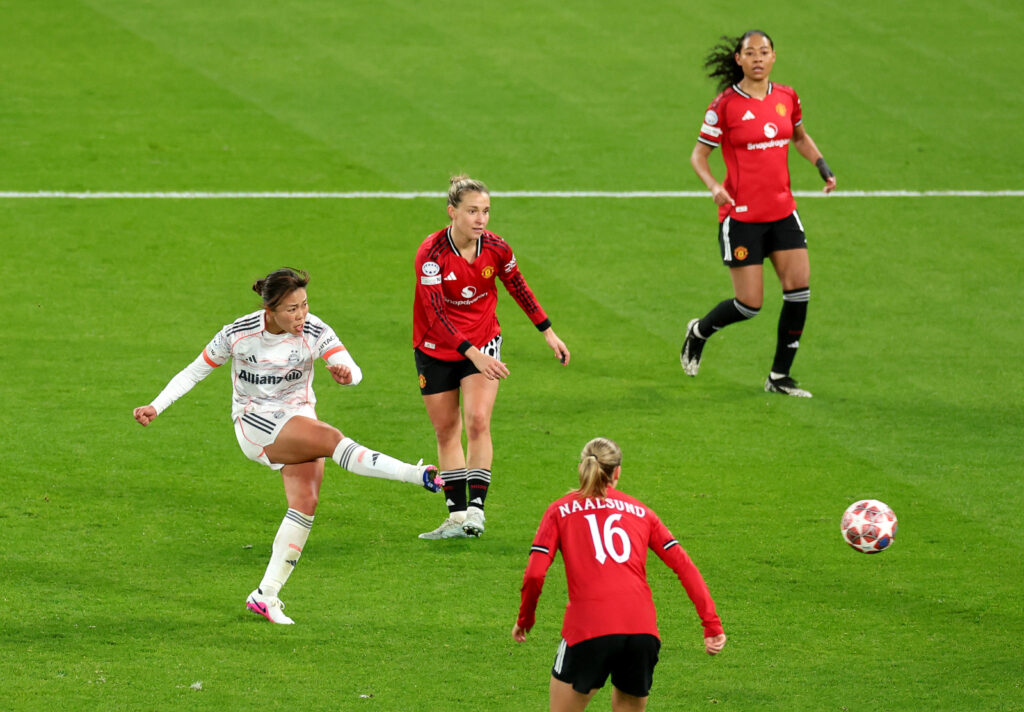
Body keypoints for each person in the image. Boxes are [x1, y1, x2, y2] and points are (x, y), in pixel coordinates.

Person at [133, 267, 441, 625]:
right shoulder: (238, 334)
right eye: (292, 309)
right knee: (331, 439)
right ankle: (417, 475)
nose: (301, 315)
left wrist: (346, 374)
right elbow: (194, 371)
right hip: (255, 421)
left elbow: (352, 368)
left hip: (297, 416)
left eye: (305, 305)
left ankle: (266, 595)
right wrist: (157, 405)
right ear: (271, 310)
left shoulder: (314, 330)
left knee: (305, 504)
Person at [513, 438, 726, 712]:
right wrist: (712, 625)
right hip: (641, 631)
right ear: (617, 472)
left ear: (581, 467)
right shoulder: (643, 513)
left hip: (588, 628)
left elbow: (534, 575)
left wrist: (525, 618)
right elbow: (684, 566)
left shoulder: (559, 510)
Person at [681, 29, 837, 398]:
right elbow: (698, 156)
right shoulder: (724, 106)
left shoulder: (786, 97)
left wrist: (822, 165)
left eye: (763, 52)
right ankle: (699, 331)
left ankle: (779, 377)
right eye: (750, 53)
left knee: (799, 290)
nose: (757, 58)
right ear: (738, 59)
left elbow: (798, 135)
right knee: (750, 305)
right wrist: (714, 187)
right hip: (742, 219)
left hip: (782, 212)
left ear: (773, 57)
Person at [414, 175, 571, 539]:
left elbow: (518, 286)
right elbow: (435, 315)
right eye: (472, 211)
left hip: (483, 340)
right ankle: (455, 518)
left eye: (485, 211)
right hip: (435, 347)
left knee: (479, 420)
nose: (481, 219)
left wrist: (547, 331)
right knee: (446, 429)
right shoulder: (431, 255)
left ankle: (476, 511)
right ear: (452, 212)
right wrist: (473, 355)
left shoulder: (496, 248)